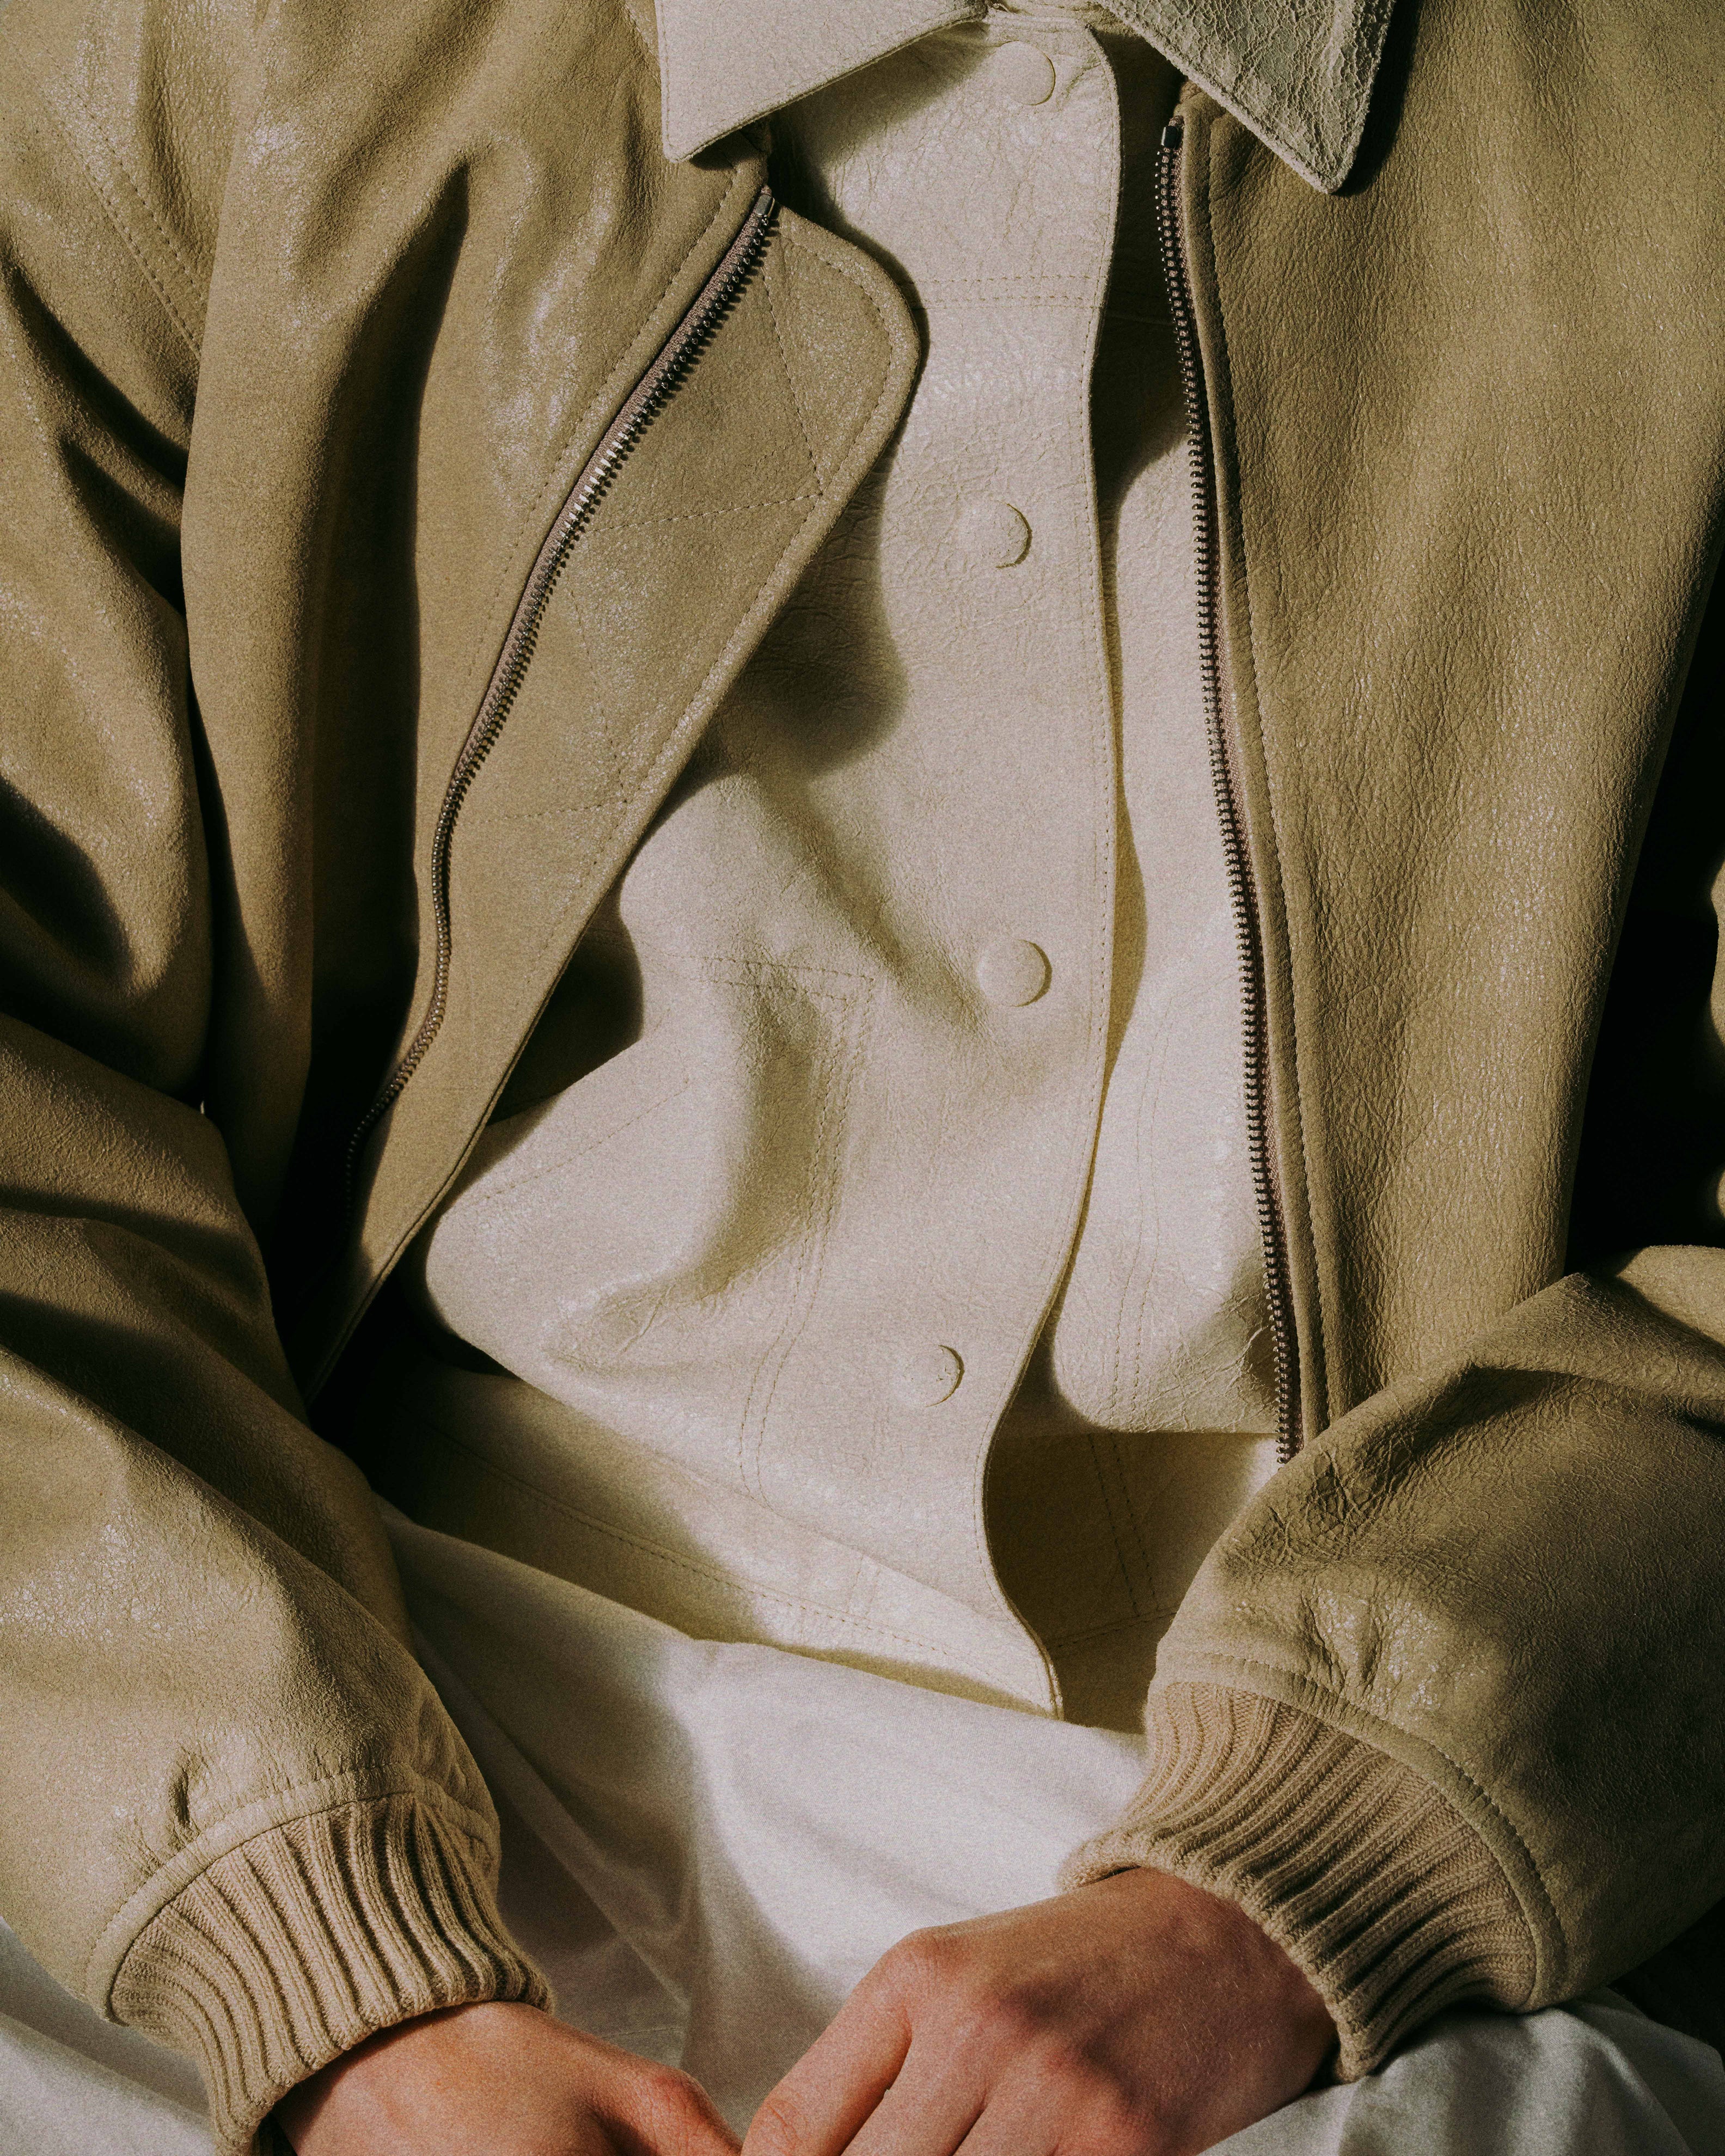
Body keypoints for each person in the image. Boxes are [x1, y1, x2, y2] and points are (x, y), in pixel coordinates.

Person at [1, 0, 1723, 2151]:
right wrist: (314, 1955)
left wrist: (1295, 1885)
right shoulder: (191, 51)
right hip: (314, 1669)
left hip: (1410, 1837)